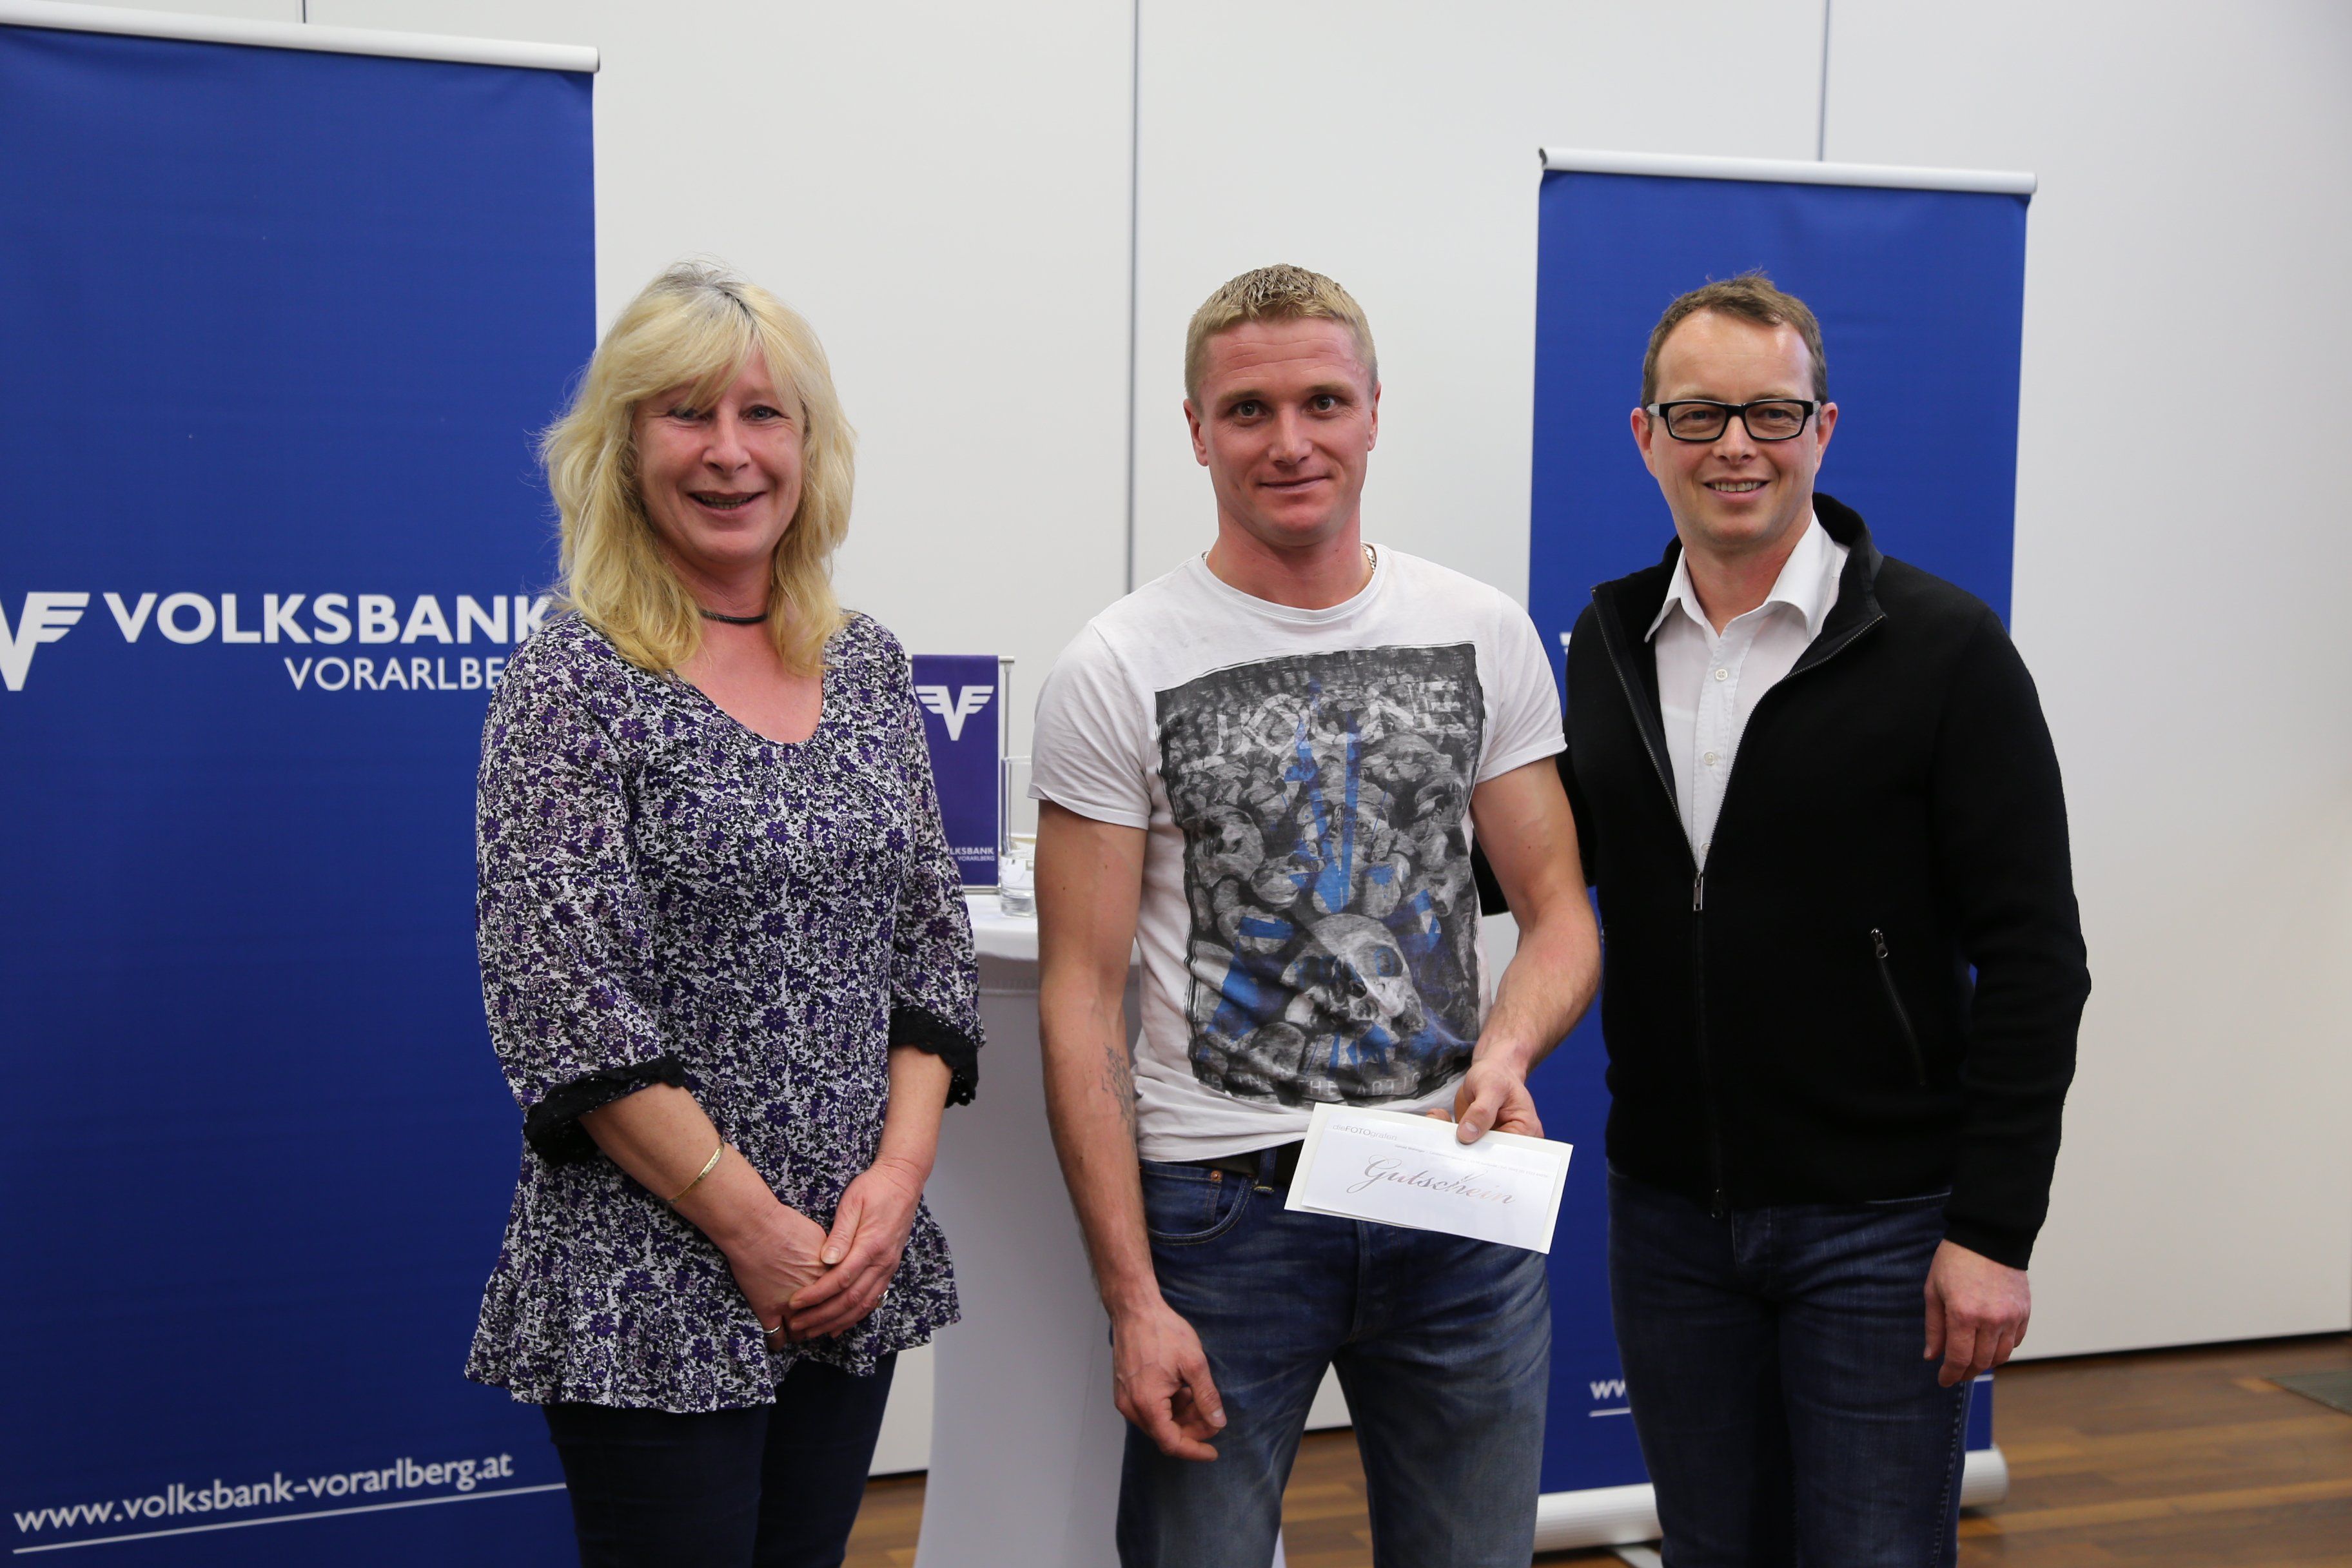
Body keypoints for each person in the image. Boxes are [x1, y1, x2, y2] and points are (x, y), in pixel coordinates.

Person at [1030, 263, 1602, 1568]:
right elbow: (1082, 996)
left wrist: (1507, 1052)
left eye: (1323, 402)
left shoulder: (1481, 630)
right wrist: (1132, 1296)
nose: (1290, 441)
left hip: (1452, 1189)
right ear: (1196, 431)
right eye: (1249, 410)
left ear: (1375, 413)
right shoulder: (1117, 665)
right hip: (1222, 1215)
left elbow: (1561, 915)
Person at [1556, 272, 2089, 1565]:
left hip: (1882, 1227)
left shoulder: (1945, 648)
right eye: (1698, 414)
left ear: (1824, 429)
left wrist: (1992, 1232)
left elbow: (2035, 961)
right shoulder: (1607, 640)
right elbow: (1537, 863)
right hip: (1668, 1220)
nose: (1735, 445)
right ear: (1645, 437)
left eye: (1771, 413)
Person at [464, 260, 983, 1568]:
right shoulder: (574, 676)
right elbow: (568, 1006)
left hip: (853, 1255)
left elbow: (932, 946)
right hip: (653, 1272)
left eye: (764, 415)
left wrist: (894, 1186)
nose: (730, 452)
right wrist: (755, 1232)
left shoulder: (866, 663)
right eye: (687, 414)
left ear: (812, 445)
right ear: (624, 446)